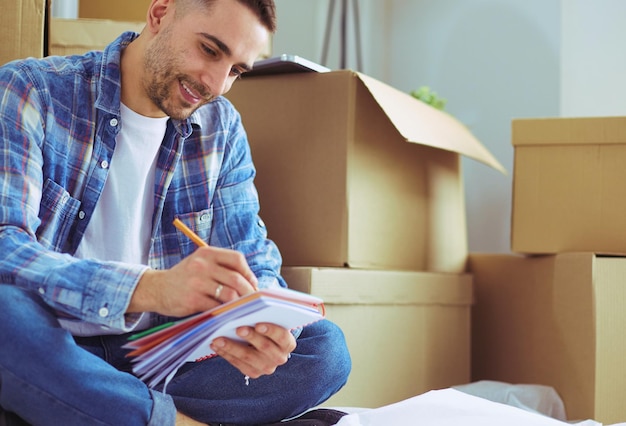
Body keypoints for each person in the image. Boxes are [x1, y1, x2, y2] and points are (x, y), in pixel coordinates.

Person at [0, 0, 351, 424]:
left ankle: (105, 409)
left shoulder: (221, 126)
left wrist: (266, 324)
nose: (217, 84)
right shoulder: (30, 90)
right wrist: (148, 289)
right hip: (58, 342)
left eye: (237, 70)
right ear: (160, 13)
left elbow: (250, 252)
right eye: (209, 49)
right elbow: (6, 248)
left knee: (323, 348)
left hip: (161, 356)